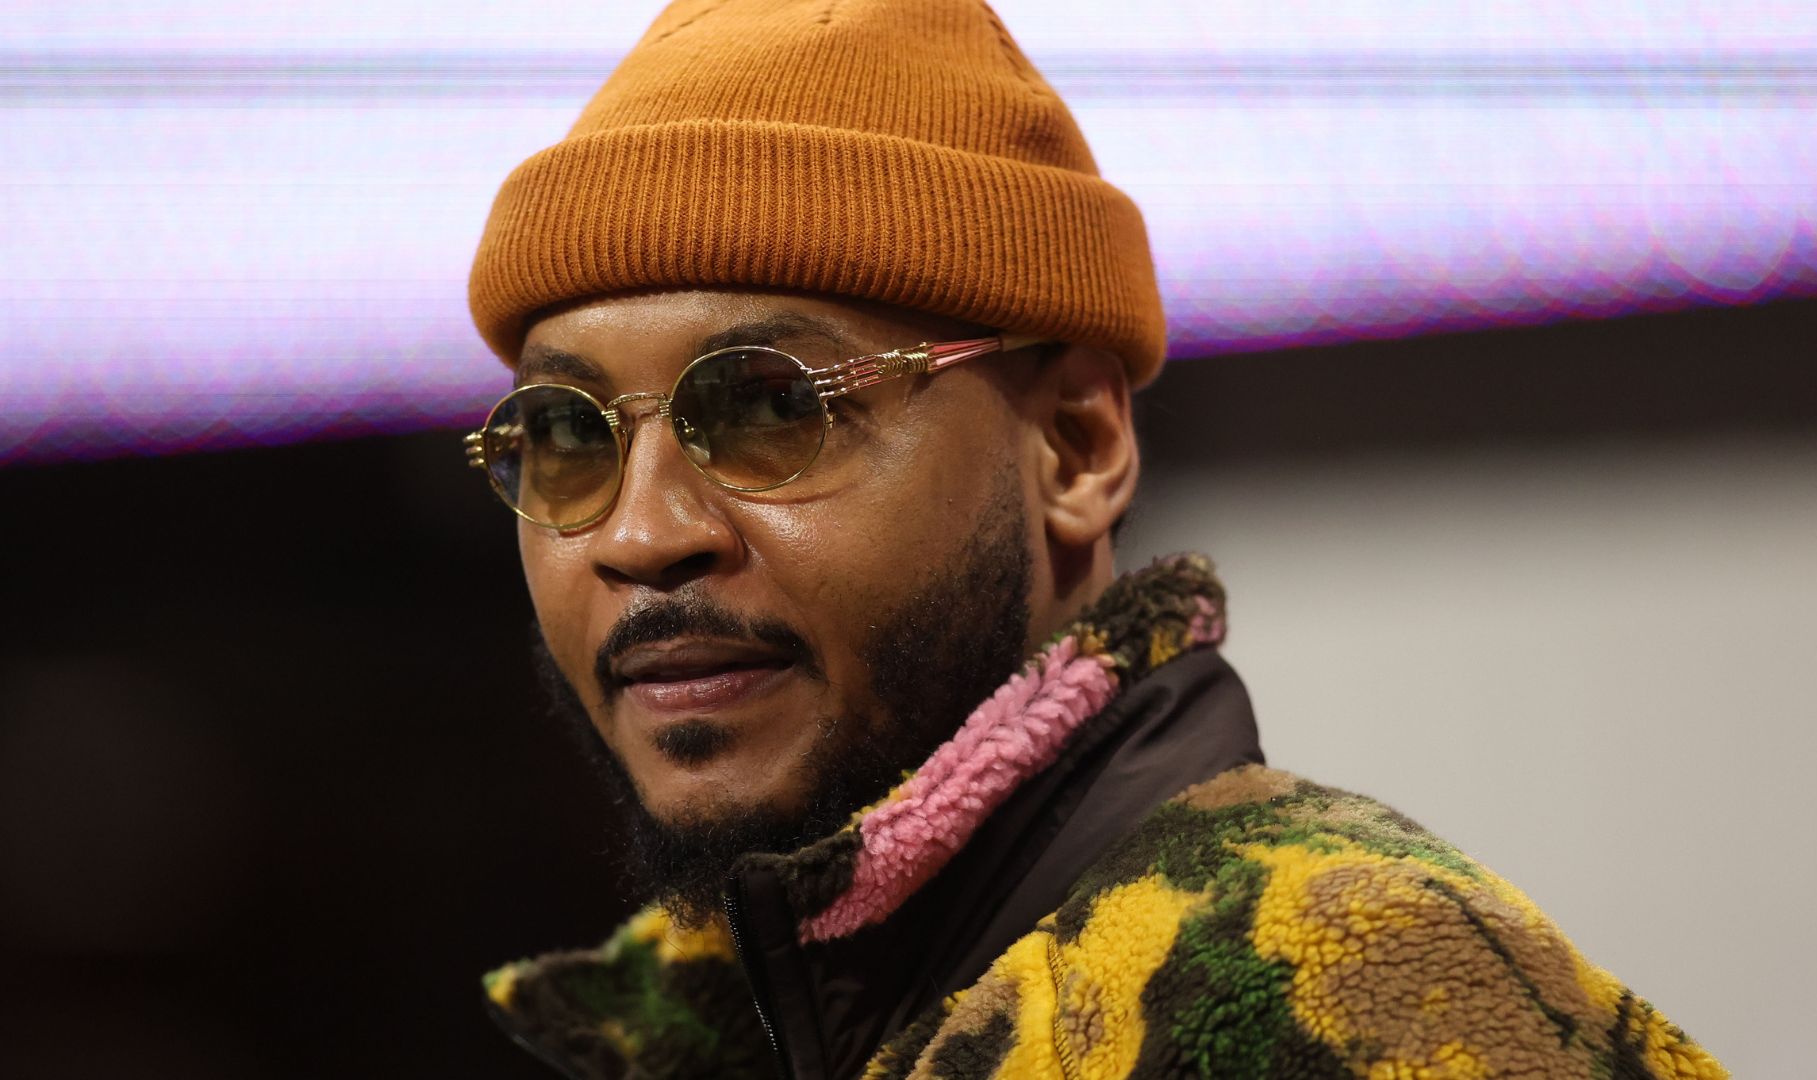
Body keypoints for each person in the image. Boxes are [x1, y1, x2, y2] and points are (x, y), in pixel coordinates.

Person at [462, 2, 1727, 1077]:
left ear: (1075, 446)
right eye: (567, 434)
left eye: (769, 405)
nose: (641, 533)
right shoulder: (705, 1030)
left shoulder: (1349, 989)